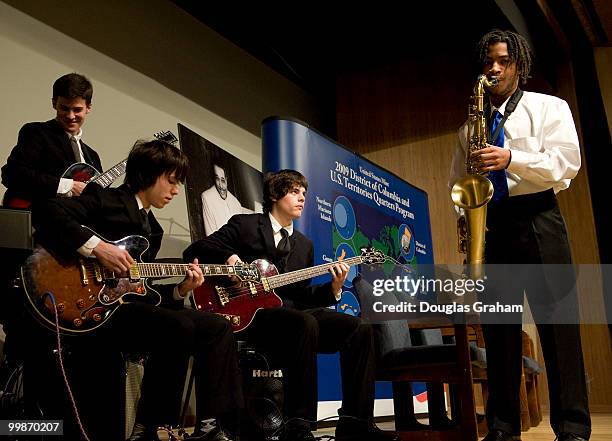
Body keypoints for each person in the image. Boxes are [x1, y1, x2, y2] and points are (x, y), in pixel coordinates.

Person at [31, 139, 243, 441]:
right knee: (177, 325)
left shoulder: (153, 229)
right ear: (146, 175)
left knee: (217, 325)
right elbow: (46, 211)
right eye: (171, 181)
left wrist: (182, 290)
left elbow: (143, 289)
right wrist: (98, 248)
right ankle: (151, 427)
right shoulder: (106, 199)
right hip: (90, 308)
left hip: (125, 307)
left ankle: (213, 426)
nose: (175, 190)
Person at [185, 169, 399, 441]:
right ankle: (299, 425)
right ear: (275, 195)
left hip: (290, 316)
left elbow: (301, 296)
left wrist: (333, 289)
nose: (302, 199)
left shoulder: (304, 244)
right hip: (251, 318)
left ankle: (356, 423)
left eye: (304, 194)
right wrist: (231, 259)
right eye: (294, 192)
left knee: (359, 329)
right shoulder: (245, 225)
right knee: (304, 322)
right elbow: (195, 251)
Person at [449, 29, 590, 441]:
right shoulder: (468, 128)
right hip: (494, 226)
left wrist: (512, 158)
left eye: (504, 61)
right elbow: (458, 182)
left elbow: (567, 163)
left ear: (519, 64)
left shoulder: (550, 107)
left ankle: (574, 428)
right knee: (500, 332)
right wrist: (467, 215)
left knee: (559, 326)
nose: (494, 68)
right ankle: (502, 426)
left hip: (541, 218)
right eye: (489, 61)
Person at [2, 73, 102, 207]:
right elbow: (12, 174)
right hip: (37, 218)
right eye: (64, 108)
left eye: (77, 110)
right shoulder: (36, 133)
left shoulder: (93, 157)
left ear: (88, 108)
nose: (70, 116)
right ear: (54, 103)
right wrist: (68, 187)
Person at [201, 163, 244, 235]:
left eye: (223, 180)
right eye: (217, 179)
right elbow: (210, 236)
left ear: (227, 179)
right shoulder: (207, 197)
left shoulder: (236, 203)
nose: (220, 185)